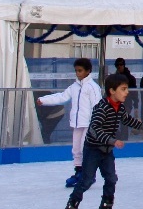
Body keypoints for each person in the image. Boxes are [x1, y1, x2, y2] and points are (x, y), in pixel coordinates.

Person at [59, 73, 143, 209]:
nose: (127, 92)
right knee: (86, 181)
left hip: (106, 151)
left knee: (111, 179)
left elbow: (126, 119)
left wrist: (142, 127)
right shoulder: (102, 108)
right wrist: (112, 141)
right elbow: (94, 130)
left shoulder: (119, 107)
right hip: (93, 150)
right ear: (112, 91)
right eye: (123, 89)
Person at [37, 58, 103, 188]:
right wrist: (43, 100)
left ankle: (88, 175)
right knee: (76, 149)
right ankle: (79, 172)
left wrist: (96, 123)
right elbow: (62, 97)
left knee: (86, 149)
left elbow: (97, 106)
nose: (78, 73)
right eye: (76, 71)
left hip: (89, 124)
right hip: (77, 123)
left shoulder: (93, 87)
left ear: (88, 71)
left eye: (80, 70)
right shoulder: (74, 87)